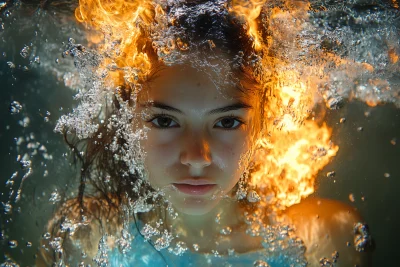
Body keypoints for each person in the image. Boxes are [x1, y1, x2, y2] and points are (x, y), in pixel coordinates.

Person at [36, 1, 372, 266]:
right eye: (165, 121)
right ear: (129, 119)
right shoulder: (86, 235)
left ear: (262, 124)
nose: (197, 157)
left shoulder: (324, 236)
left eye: (226, 123)